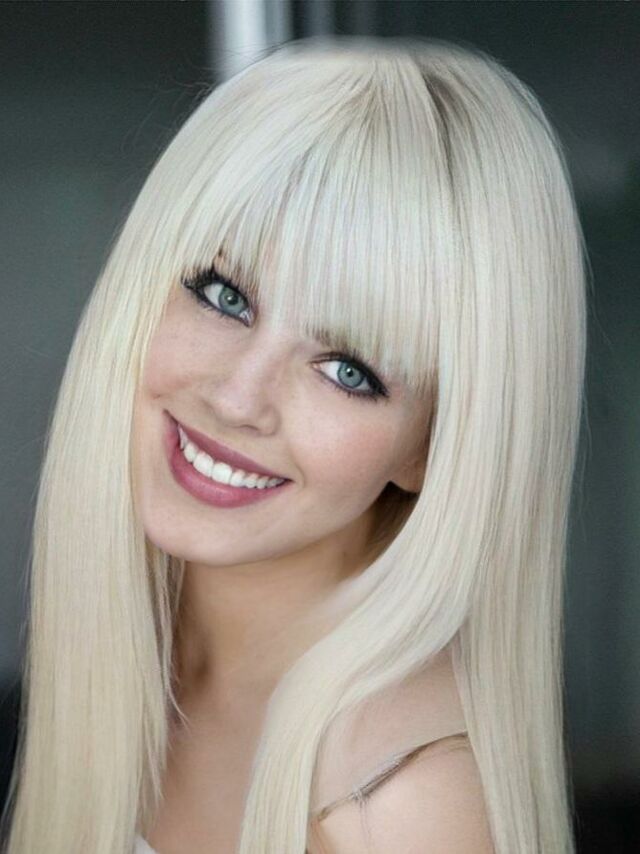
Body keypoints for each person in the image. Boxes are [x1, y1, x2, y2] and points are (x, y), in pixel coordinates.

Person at [0, 34, 587, 854]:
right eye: (223, 295)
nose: (238, 398)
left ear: (435, 449)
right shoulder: (126, 657)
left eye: (349, 370)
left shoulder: (401, 808)